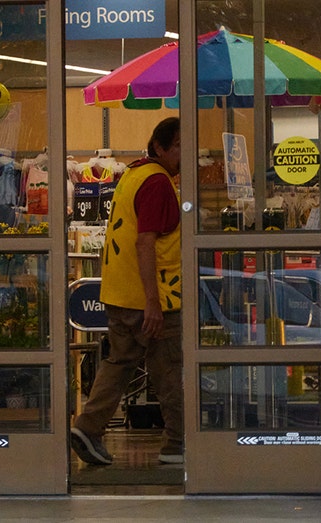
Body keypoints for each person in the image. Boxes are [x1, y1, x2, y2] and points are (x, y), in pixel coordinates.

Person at [70, 117, 184, 465]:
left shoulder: (134, 174)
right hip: (154, 296)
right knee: (170, 369)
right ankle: (179, 444)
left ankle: (87, 428)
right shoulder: (157, 182)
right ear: (161, 148)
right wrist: (153, 302)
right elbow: (145, 242)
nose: (185, 153)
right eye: (179, 146)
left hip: (119, 292)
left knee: (119, 363)